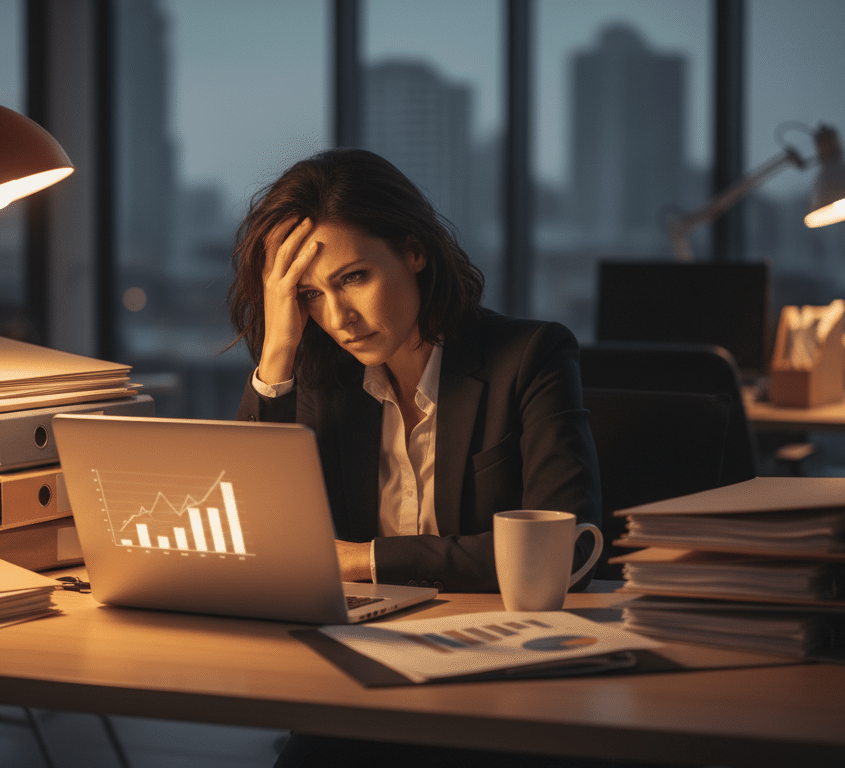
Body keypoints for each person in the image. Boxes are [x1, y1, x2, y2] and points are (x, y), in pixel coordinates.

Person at [228, 149, 605, 768]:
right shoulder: (322, 380)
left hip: (502, 688)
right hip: (357, 677)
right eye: (309, 295)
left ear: (414, 251)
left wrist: (361, 560)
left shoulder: (530, 357)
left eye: (352, 278)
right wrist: (277, 350)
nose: (339, 317)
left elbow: (563, 552)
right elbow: (252, 532)